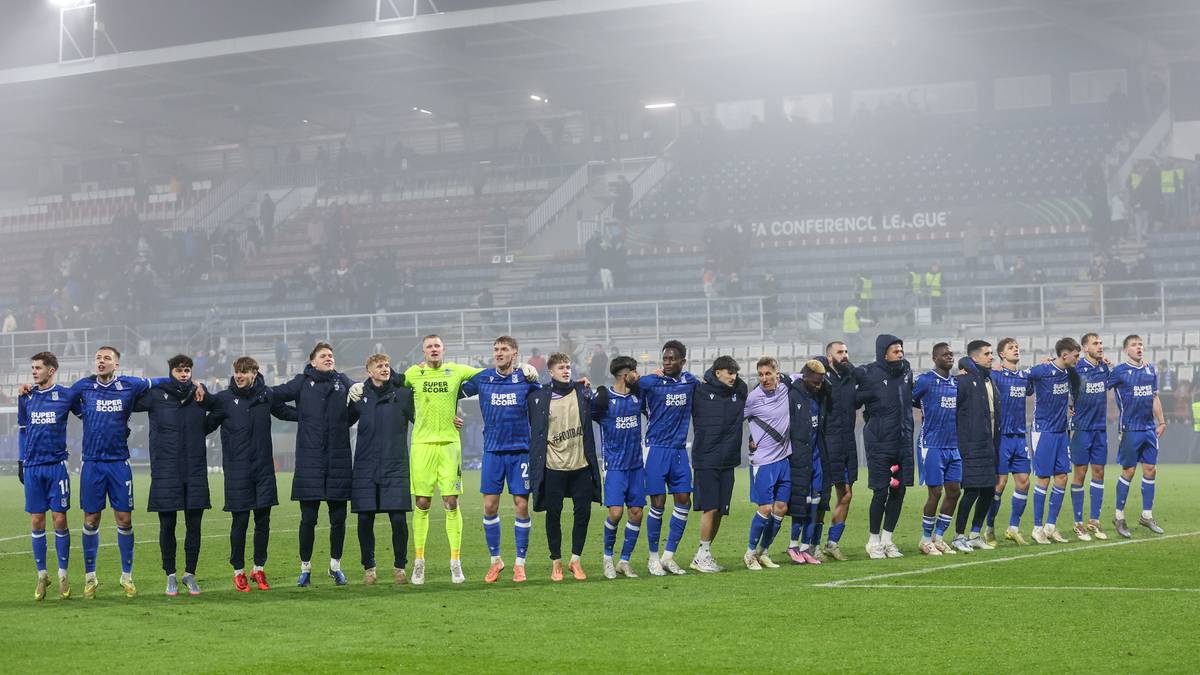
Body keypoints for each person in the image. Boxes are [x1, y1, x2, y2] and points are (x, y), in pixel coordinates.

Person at [63, 346, 175, 598]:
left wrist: (187, 382)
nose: (101, 361)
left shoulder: (130, 385)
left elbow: (158, 381)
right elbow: (62, 400)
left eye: (106, 358)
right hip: (91, 463)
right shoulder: (83, 386)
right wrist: (31, 391)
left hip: (118, 463)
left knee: (124, 519)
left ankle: (127, 576)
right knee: (91, 519)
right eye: (98, 358)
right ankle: (90, 578)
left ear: (116, 365)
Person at [206, 356, 297, 592]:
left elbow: (286, 412)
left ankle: (259, 568)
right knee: (240, 522)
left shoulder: (265, 396)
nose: (239, 375)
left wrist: (312, 416)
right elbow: (206, 425)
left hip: (264, 469)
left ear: (254, 374)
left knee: (263, 522)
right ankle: (238, 571)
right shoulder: (224, 400)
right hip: (237, 471)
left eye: (244, 371)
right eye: (237, 371)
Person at [398, 334, 483, 584]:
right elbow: (391, 389)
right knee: (422, 503)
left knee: (451, 502)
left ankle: (455, 563)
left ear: (443, 350)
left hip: (449, 445)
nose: (433, 349)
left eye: (437, 346)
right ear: (423, 352)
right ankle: (419, 563)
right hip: (422, 446)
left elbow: (484, 377)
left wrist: (519, 370)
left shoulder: (455, 371)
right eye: (429, 347)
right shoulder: (413, 374)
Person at [272, 342, 358, 586]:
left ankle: (335, 566)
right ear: (313, 361)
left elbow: (361, 401)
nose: (329, 358)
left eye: (331, 355)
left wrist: (344, 420)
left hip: (338, 459)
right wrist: (300, 416)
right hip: (310, 460)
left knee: (338, 518)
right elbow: (275, 398)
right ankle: (305, 568)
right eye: (324, 356)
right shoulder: (301, 382)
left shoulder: (343, 381)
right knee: (308, 518)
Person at [133, 355, 217, 597]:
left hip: (195, 468)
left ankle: (190, 574)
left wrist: (205, 426)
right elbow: (130, 399)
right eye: (179, 370)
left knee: (194, 525)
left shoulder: (200, 394)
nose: (184, 374)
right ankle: (170, 574)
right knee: (167, 525)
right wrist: (149, 382)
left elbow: (221, 407)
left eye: (187, 370)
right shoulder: (157, 394)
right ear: (171, 371)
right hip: (165, 469)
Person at [458, 336, 541, 584]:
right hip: (493, 452)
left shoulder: (525, 380)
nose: (499, 353)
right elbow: (453, 392)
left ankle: (520, 564)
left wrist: (537, 376)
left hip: (520, 452)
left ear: (515, 354)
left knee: (521, 506)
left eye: (504, 349)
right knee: (490, 506)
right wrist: (454, 412)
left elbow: (549, 397)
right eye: (496, 349)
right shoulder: (483, 378)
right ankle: (496, 561)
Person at [527, 352, 601, 581]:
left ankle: (575, 560)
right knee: (554, 514)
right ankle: (556, 561)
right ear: (550, 371)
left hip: (580, 465)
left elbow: (600, 405)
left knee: (583, 513)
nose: (566, 370)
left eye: (568, 366)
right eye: (561, 367)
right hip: (553, 466)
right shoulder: (539, 397)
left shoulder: (582, 391)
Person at [350, 354, 415, 585]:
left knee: (398, 519)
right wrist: (348, 397)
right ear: (369, 371)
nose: (385, 369)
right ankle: (369, 569)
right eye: (379, 366)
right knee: (365, 519)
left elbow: (424, 420)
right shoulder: (359, 396)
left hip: (395, 464)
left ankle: (400, 568)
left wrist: (451, 420)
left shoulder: (403, 395)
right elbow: (342, 421)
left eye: (387, 365)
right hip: (365, 466)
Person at [638, 340, 698, 575]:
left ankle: (668, 556)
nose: (667, 362)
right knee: (658, 503)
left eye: (672, 359)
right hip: (655, 449)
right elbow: (630, 387)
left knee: (684, 500)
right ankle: (653, 558)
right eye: (665, 358)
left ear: (683, 361)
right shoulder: (650, 382)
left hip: (679, 450)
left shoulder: (690, 382)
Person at [18, 352, 73, 601]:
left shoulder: (65, 395)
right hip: (33, 468)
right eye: (32, 367)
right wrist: (21, 462)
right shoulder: (26, 396)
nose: (33, 371)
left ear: (51, 370)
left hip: (56, 467)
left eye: (38, 367)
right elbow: (22, 430)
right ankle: (42, 575)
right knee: (36, 522)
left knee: (59, 520)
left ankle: (63, 574)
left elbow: (88, 414)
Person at [855, 334, 914, 559]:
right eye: (895, 351)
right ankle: (873, 541)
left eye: (901, 350)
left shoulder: (907, 372)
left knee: (899, 491)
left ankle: (888, 539)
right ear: (883, 353)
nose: (900, 354)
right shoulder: (870, 373)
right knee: (880, 492)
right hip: (879, 443)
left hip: (902, 442)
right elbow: (854, 398)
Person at [689, 355, 748, 573]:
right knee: (710, 508)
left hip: (729, 460)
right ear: (717, 373)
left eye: (735, 373)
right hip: (706, 459)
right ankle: (703, 554)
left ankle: (702, 554)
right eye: (729, 373)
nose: (733, 377)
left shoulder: (739, 392)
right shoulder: (699, 391)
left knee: (721, 510)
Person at [592, 356, 645, 579]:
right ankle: (607, 558)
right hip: (614, 466)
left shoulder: (638, 398)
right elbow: (587, 410)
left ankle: (624, 561)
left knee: (636, 513)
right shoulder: (605, 400)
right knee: (615, 513)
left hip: (636, 466)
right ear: (626, 374)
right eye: (635, 371)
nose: (638, 375)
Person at [1110, 335, 1166, 537]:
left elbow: (1154, 397)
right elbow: (1100, 388)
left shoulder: (1150, 370)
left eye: (1140, 344)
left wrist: (1161, 421)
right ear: (1126, 350)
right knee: (1129, 471)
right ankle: (1118, 516)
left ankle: (1147, 516)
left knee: (1150, 469)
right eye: (1134, 345)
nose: (1139, 347)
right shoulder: (1119, 372)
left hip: (1149, 428)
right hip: (1130, 429)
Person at [1027, 337, 1081, 544]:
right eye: (1075, 356)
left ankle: (1050, 526)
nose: (1077, 359)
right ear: (1064, 354)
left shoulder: (1068, 373)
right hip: (1043, 432)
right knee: (1043, 479)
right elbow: (1023, 380)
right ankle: (1037, 528)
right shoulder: (1041, 370)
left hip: (1061, 432)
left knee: (1062, 478)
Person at [742, 358, 795, 570]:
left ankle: (763, 552)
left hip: (784, 459)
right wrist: (749, 440)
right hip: (763, 462)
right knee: (765, 508)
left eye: (767, 374)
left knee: (781, 508)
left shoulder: (785, 388)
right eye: (760, 374)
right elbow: (737, 418)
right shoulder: (753, 398)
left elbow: (808, 374)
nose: (764, 378)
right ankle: (749, 553)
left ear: (777, 374)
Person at [912, 343, 962, 555]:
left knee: (954, 491)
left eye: (951, 354)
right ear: (934, 358)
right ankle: (925, 540)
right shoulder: (925, 380)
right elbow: (911, 399)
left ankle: (939, 537)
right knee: (935, 492)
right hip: (931, 445)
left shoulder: (955, 382)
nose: (949, 357)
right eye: (945, 354)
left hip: (953, 445)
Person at [783, 360, 832, 565]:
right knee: (800, 503)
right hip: (799, 457)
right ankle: (793, 545)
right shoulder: (792, 396)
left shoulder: (819, 396)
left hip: (816, 456)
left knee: (816, 502)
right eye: (816, 381)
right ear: (805, 378)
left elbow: (828, 386)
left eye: (822, 382)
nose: (819, 385)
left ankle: (806, 547)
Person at [953, 343, 1001, 552]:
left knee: (989, 491)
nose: (991, 357)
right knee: (971, 491)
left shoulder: (988, 379)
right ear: (975, 358)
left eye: (992, 353)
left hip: (989, 443)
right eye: (987, 354)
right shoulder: (963, 381)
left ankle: (974, 534)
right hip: (970, 444)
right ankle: (958, 536)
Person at [985, 338, 1034, 545]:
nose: (1016, 350)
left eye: (1017, 348)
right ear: (1002, 354)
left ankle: (1013, 528)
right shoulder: (995, 375)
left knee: (1024, 482)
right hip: (1002, 437)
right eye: (1011, 348)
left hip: (1020, 436)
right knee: (1000, 484)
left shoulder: (1025, 377)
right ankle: (989, 528)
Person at [1067, 333, 1112, 541]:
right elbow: (1059, 382)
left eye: (1101, 343)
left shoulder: (1104, 367)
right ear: (1085, 348)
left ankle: (1094, 521)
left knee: (1099, 472)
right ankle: (1078, 523)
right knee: (1080, 473)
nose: (1100, 346)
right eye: (1095, 343)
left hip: (1100, 429)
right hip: (1081, 429)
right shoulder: (1076, 369)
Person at [815, 341, 856, 561]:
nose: (845, 355)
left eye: (846, 351)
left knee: (847, 493)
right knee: (822, 496)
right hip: (827, 443)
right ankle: (811, 545)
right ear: (829, 357)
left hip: (847, 442)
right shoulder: (822, 379)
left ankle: (832, 543)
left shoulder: (850, 377)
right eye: (840, 352)